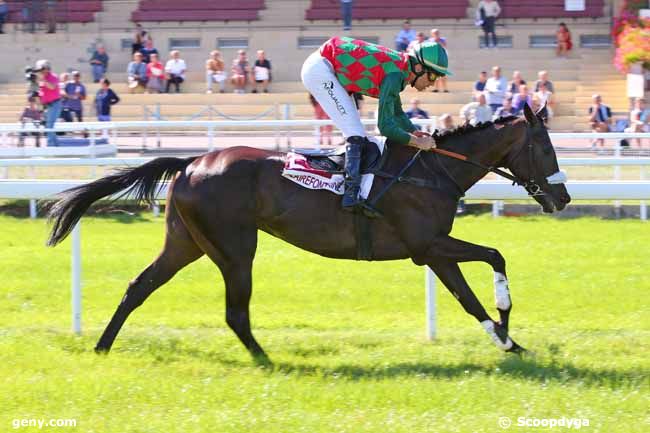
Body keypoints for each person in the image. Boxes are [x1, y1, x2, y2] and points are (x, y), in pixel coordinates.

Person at [302, 36, 450, 213]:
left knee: (357, 133)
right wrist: (416, 142)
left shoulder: (400, 71)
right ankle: (350, 196)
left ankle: (350, 190)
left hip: (328, 67)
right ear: (418, 67)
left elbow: (396, 112)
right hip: (321, 71)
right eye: (432, 75)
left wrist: (413, 132)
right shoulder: (395, 75)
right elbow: (385, 127)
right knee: (355, 135)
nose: (433, 82)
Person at [34, 60, 61, 146]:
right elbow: (41, 93)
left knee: (49, 126)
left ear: (47, 68)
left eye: (42, 69)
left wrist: (42, 80)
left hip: (55, 104)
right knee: (49, 127)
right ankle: (56, 146)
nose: (40, 71)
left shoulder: (53, 76)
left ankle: (51, 147)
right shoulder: (41, 79)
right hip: (48, 106)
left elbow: (52, 87)